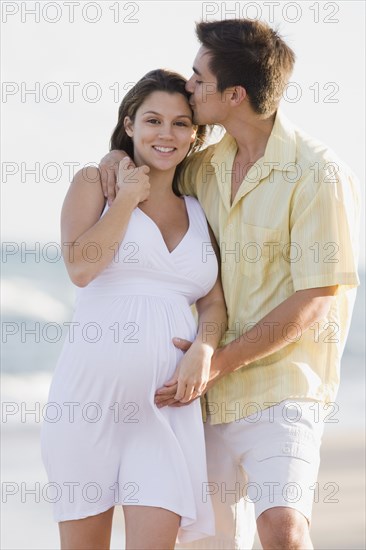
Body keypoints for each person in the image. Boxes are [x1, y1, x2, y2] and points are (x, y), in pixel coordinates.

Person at [99, 19, 361, 550]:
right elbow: (152, 167)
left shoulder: (317, 172)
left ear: (235, 94)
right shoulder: (204, 167)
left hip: (282, 388)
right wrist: (115, 156)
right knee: (210, 542)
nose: (189, 87)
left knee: (283, 529)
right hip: (204, 399)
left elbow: (316, 297)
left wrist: (217, 360)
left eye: (198, 79)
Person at [41, 68, 228, 550]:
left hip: (165, 412)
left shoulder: (199, 206)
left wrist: (204, 351)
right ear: (129, 125)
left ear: (195, 134)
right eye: (152, 120)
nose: (166, 134)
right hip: (88, 405)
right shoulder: (95, 183)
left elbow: (213, 302)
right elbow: (81, 268)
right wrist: (127, 199)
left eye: (180, 123)